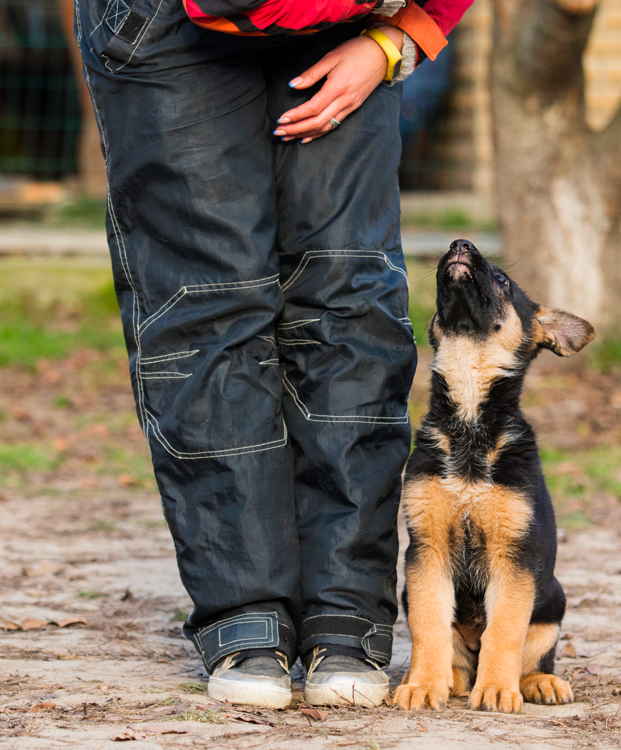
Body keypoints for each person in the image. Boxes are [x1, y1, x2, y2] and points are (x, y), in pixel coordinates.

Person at [74, 0, 471, 709]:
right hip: (165, 22)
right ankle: (244, 615)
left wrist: (395, 39)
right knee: (208, 300)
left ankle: (345, 615)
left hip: (351, 18)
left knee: (347, 296)